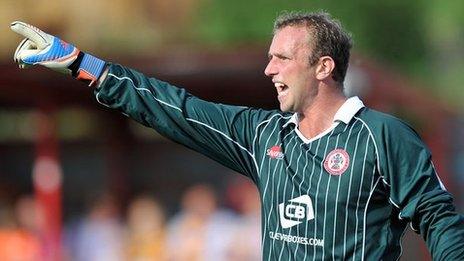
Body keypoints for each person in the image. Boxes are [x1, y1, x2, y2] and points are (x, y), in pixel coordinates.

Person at [10, 11, 464, 260]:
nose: (269, 69)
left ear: (324, 68)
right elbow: (177, 109)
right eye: (270, 57)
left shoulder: (383, 136)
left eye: (283, 58)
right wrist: (82, 64)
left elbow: (440, 221)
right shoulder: (262, 133)